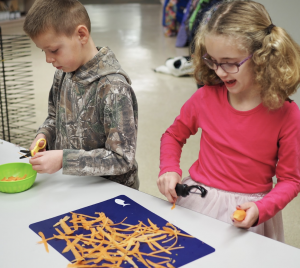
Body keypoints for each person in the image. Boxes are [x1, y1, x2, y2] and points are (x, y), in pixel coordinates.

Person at [157, 0, 300, 241]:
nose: (220, 72)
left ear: (262, 57)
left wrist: (262, 209)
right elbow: (173, 135)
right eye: (213, 61)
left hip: (249, 213)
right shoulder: (204, 97)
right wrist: (169, 168)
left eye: (230, 63)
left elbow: (291, 180)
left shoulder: (286, 114)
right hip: (197, 202)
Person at [23, 0, 139, 189]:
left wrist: (64, 160)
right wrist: (44, 135)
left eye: (53, 50)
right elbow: (54, 117)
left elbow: (122, 159)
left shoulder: (113, 88)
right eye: (43, 51)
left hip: (111, 192)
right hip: (72, 185)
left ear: (81, 35)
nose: (48, 59)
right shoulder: (62, 73)